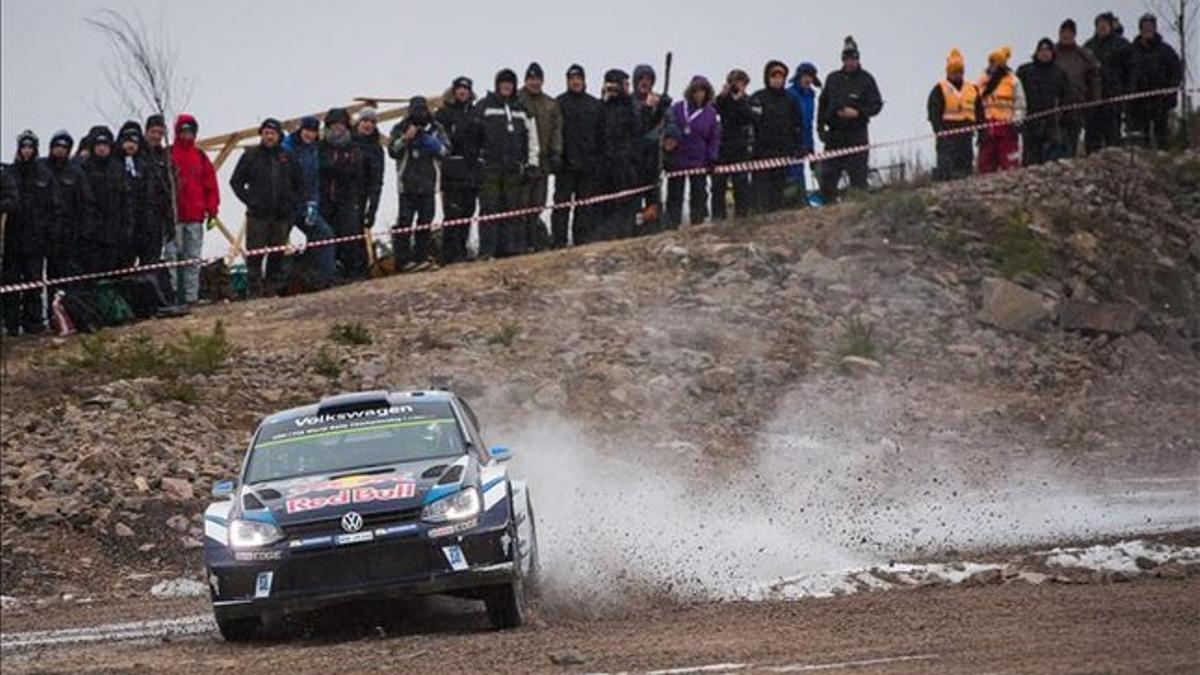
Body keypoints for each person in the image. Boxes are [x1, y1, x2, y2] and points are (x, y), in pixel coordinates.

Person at [230, 118, 303, 296]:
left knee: (277, 256)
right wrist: (250, 200)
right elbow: (236, 182)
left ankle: (272, 290)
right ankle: (254, 291)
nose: (269, 137)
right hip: (257, 215)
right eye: (266, 133)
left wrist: (291, 204)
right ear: (261, 135)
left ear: (279, 136)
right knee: (255, 256)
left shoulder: (288, 156)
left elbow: (299, 183)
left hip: (281, 216)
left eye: (273, 133)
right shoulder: (251, 155)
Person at [474, 68, 539, 259]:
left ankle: (511, 248)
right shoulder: (484, 106)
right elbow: (474, 136)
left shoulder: (522, 109)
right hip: (490, 168)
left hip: (514, 168)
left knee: (513, 209)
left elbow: (532, 138)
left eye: (510, 83)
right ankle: (487, 250)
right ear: (497, 84)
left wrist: (532, 163)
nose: (507, 86)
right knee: (489, 209)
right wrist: (477, 162)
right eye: (503, 82)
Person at [817, 37, 884, 203]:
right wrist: (820, 128)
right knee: (828, 176)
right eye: (847, 59)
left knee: (858, 177)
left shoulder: (866, 79)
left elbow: (876, 105)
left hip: (857, 134)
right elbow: (822, 104)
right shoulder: (832, 78)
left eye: (853, 59)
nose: (850, 62)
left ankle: (858, 209)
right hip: (835, 135)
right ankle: (828, 206)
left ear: (858, 59)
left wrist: (858, 113)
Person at [388, 96, 448, 269]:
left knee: (425, 221)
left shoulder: (436, 128)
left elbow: (446, 151)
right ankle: (403, 260)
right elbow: (392, 150)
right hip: (407, 183)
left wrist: (435, 145)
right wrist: (405, 139)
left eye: (423, 110)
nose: (420, 114)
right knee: (404, 222)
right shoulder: (400, 127)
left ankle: (421, 257)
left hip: (429, 183)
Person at [168, 114, 218, 304]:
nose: (186, 135)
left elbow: (210, 185)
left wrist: (212, 211)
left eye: (190, 132)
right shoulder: (169, 154)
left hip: (195, 216)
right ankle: (172, 295)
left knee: (193, 259)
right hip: (173, 217)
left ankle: (191, 297)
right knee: (171, 259)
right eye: (183, 131)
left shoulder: (200, 156)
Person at [282, 116, 336, 289]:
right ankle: (276, 284)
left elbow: (314, 181)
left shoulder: (313, 150)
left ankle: (324, 278)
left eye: (313, 132)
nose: (310, 135)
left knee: (324, 233)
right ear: (301, 130)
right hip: (286, 204)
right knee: (279, 243)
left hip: (305, 204)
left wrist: (313, 204)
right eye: (307, 131)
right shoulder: (286, 148)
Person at [553, 64, 602, 247]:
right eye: (572, 79)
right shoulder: (558, 103)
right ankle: (558, 242)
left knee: (584, 208)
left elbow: (600, 134)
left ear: (584, 80)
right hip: (565, 166)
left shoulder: (594, 104)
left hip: (587, 166)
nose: (575, 82)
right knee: (561, 207)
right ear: (567, 81)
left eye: (578, 78)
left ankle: (581, 242)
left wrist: (596, 159)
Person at [318, 107, 369, 280]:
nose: (337, 128)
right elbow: (323, 167)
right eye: (334, 125)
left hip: (348, 198)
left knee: (350, 236)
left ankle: (352, 273)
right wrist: (340, 169)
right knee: (330, 237)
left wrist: (336, 170)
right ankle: (332, 274)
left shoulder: (353, 146)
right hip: (326, 198)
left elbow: (357, 171)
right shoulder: (322, 146)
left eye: (341, 124)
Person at [435, 76, 482, 265]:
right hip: (452, 170)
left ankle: (463, 250)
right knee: (452, 214)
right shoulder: (444, 113)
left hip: (472, 169)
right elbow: (439, 140)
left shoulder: (476, 112)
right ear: (454, 91)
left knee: (468, 212)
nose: (463, 92)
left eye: (466, 89)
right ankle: (449, 254)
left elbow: (483, 138)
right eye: (459, 89)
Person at [32, 131, 90, 281]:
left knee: (59, 278)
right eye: (57, 145)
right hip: (38, 231)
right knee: (33, 277)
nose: (60, 149)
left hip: (65, 233)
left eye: (64, 147)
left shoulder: (76, 172)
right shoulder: (38, 166)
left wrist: (79, 229)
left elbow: (84, 203)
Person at [518, 62, 563, 253]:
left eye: (537, 79)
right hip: (523, 162)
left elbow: (557, 130)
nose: (534, 83)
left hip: (544, 162)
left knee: (538, 203)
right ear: (525, 80)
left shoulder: (551, 104)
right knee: (521, 204)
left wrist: (556, 152)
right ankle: (519, 242)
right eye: (531, 79)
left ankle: (533, 240)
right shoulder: (517, 100)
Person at [2, 131, 43, 335]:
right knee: (10, 282)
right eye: (24, 147)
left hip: (35, 237)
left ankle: (33, 323)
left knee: (33, 281)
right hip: (12, 237)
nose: (27, 151)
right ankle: (11, 324)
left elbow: (52, 206)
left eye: (30, 147)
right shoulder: (9, 172)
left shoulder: (43, 174)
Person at [665, 75, 720, 227]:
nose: (699, 94)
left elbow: (714, 137)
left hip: (699, 159)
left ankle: (698, 221)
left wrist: (712, 157)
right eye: (695, 91)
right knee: (675, 193)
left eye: (702, 91)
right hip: (678, 159)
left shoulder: (710, 113)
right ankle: (672, 223)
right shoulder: (678, 108)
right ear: (690, 91)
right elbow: (668, 127)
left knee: (699, 193)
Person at [750, 61, 802, 213]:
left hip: (783, 153)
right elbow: (750, 124)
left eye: (781, 76)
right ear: (767, 77)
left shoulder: (791, 99)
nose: (777, 79)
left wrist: (799, 145)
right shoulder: (758, 97)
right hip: (761, 155)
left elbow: (798, 125)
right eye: (774, 75)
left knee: (778, 194)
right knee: (761, 195)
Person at [595, 68, 642, 241]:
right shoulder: (601, 106)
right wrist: (604, 101)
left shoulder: (630, 105)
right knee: (606, 202)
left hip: (626, 162)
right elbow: (597, 131)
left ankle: (626, 233)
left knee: (626, 201)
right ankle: (606, 235)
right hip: (605, 164)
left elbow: (637, 129)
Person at [1126, 13, 1183, 149]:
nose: (1148, 29)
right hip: (1138, 102)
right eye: (1145, 27)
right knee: (1140, 139)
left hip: (1161, 101)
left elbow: (1177, 71)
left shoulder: (1166, 50)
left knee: (1162, 136)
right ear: (1140, 29)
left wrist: (1171, 91)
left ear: (1155, 28)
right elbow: (1125, 73)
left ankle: (1165, 163)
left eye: (1151, 26)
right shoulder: (1131, 51)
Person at [927, 49, 982, 181]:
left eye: (960, 71)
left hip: (966, 134)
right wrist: (938, 130)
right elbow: (933, 111)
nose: (957, 74)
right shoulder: (940, 88)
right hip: (947, 134)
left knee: (965, 168)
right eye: (954, 71)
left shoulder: (972, 89)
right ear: (948, 72)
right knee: (947, 170)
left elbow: (979, 111)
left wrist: (981, 131)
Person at [79, 126, 127, 274]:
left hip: (114, 230)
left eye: (105, 145)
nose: (101, 149)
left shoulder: (118, 168)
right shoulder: (83, 168)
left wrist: (125, 227)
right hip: (91, 231)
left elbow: (126, 200)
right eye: (98, 145)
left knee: (112, 271)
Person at [632, 64, 673, 233]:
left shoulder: (659, 101)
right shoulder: (630, 102)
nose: (645, 83)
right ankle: (634, 229)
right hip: (634, 158)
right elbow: (638, 126)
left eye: (648, 79)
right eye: (641, 79)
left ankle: (653, 228)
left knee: (654, 198)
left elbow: (672, 124)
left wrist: (671, 137)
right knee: (634, 198)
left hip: (654, 157)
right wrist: (648, 108)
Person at [1018, 38, 1071, 166]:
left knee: (1049, 159)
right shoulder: (1025, 71)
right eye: (1041, 50)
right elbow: (1017, 94)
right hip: (1030, 120)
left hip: (1051, 122)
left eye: (1048, 50)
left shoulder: (1059, 73)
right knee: (1030, 157)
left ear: (1053, 53)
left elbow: (1066, 96)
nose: (1044, 53)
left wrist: (1063, 115)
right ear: (1036, 52)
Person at [1084, 12, 1132, 152]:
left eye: (1105, 24)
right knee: (1092, 138)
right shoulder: (1088, 47)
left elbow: (1131, 71)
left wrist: (1127, 91)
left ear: (1111, 26)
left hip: (1114, 97)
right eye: (1099, 25)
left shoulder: (1122, 45)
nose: (1102, 27)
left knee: (1113, 136)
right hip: (1093, 99)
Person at [1055, 19, 1101, 157]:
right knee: (1055, 144)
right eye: (1063, 32)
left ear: (1074, 35)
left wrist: (1094, 101)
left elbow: (1094, 80)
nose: (1066, 35)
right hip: (1055, 108)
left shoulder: (1084, 55)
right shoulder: (1052, 52)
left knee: (1072, 142)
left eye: (1069, 32)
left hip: (1077, 106)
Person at [977, 47, 1026, 174]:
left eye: (996, 62)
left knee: (1010, 166)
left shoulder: (1013, 80)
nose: (993, 65)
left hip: (1007, 129)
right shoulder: (982, 81)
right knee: (985, 166)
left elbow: (1020, 104)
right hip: (988, 130)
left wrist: (1017, 121)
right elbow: (976, 103)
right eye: (991, 61)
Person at [712, 69, 754, 221]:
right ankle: (717, 217)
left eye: (742, 83)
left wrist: (740, 100)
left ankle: (742, 216)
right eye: (735, 82)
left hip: (741, 148)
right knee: (718, 185)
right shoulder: (723, 100)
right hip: (722, 148)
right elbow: (711, 111)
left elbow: (750, 118)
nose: (738, 86)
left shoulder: (748, 100)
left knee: (741, 184)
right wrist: (722, 97)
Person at [116, 121, 151, 271]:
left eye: (135, 142)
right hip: (119, 223)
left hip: (141, 221)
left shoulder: (144, 164)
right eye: (128, 141)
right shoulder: (114, 163)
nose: (131, 146)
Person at [141, 114, 175, 268]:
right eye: (153, 132)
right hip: (139, 214)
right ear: (146, 131)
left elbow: (171, 186)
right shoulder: (138, 154)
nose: (156, 136)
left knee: (153, 258)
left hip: (158, 216)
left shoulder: (165, 157)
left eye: (160, 133)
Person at [786, 62, 820, 203]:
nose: (808, 79)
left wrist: (811, 147)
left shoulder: (811, 95)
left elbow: (809, 124)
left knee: (811, 173)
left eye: (811, 76)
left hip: (806, 139)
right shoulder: (789, 94)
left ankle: (803, 200)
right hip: (791, 143)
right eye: (805, 76)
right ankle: (794, 202)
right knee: (793, 175)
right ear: (799, 77)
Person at [353, 107, 386, 243]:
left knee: (358, 231)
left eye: (372, 122)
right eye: (365, 121)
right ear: (359, 122)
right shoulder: (347, 142)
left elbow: (377, 181)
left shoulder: (377, 149)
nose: (368, 125)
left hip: (362, 196)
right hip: (343, 194)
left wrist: (373, 208)